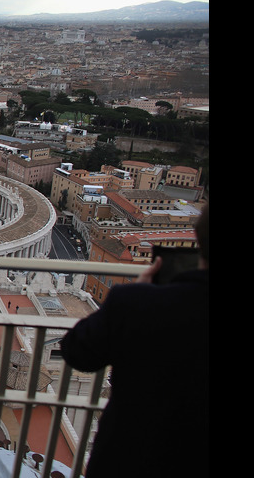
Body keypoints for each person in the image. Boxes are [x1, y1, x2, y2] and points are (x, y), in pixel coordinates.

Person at [60, 204, 209, 477]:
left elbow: (76, 351)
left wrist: (137, 294)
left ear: (199, 238)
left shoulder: (138, 304)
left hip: (128, 456)